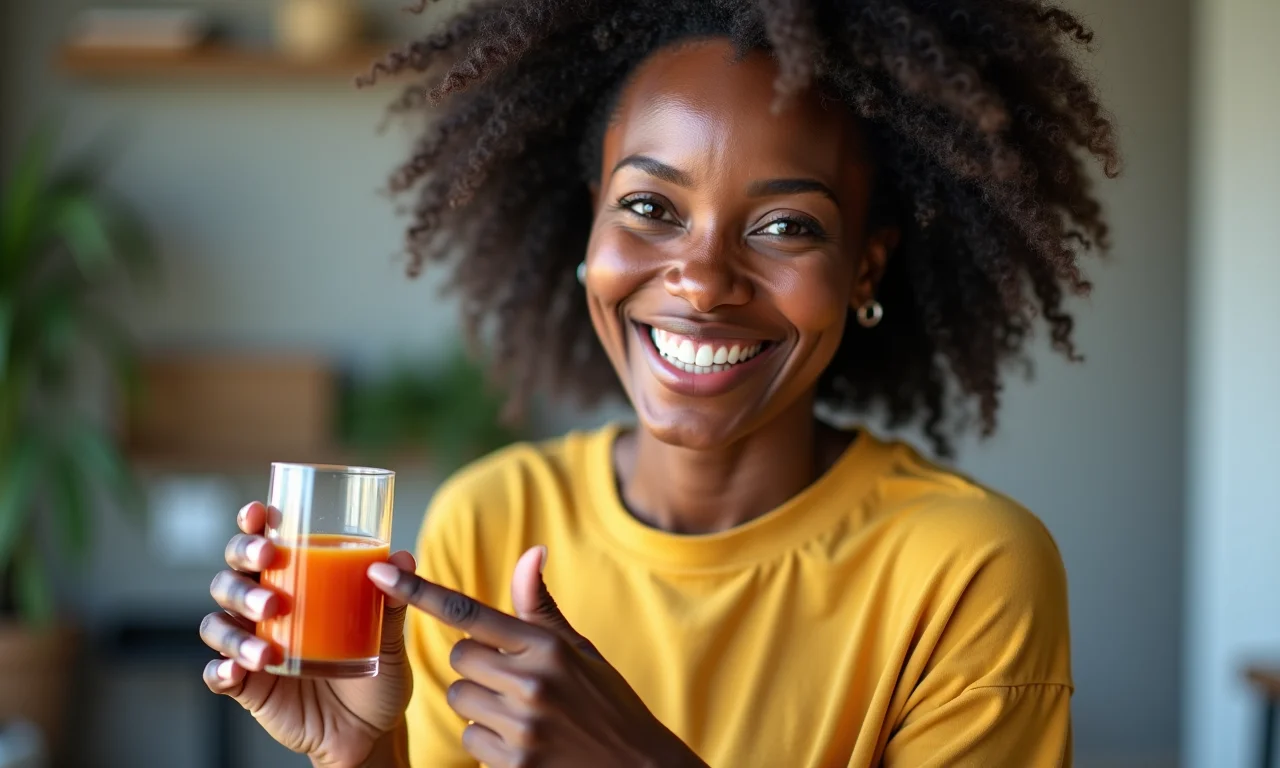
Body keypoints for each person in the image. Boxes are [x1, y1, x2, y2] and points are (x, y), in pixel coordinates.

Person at [200, 1, 1118, 766]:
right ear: (587, 233)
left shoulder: (968, 571)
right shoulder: (491, 521)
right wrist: (365, 758)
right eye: (649, 208)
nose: (703, 280)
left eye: (788, 226)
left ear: (864, 272)